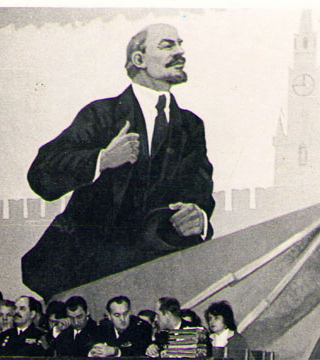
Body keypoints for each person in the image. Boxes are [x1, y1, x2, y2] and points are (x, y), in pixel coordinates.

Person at [22, 23, 215, 299]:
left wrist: (199, 215)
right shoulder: (102, 114)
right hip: (85, 270)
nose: (180, 52)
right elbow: (41, 173)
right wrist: (102, 159)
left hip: (155, 271)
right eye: (168, 45)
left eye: (180, 44)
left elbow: (200, 190)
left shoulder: (191, 125)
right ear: (139, 59)